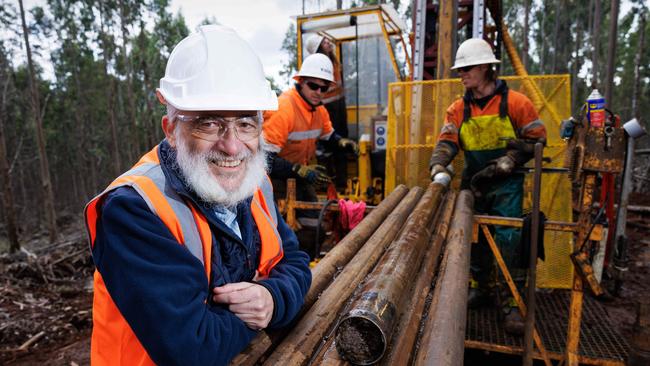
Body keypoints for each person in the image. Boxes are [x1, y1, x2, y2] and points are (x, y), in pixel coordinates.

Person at [84, 25, 311, 366]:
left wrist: (272, 297)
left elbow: (296, 263)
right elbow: (192, 348)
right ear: (172, 130)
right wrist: (269, 302)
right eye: (209, 123)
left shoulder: (255, 182)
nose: (233, 146)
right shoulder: (134, 208)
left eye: (246, 124)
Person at [428, 38, 546, 335]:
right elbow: (446, 142)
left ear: (485, 68)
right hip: (474, 183)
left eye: (466, 68)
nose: (461, 74)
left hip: (506, 184)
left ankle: (510, 301)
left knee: (509, 240)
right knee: (474, 239)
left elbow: (538, 140)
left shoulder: (517, 104)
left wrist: (513, 157)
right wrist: (438, 165)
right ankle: (478, 287)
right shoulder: (458, 109)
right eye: (460, 70)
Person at [263, 53, 358, 203]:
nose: (318, 92)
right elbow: (264, 160)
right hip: (274, 180)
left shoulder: (319, 111)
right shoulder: (284, 109)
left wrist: (342, 142)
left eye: (324, 88)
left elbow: (329, 136)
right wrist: (299, 170)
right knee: (284, 224)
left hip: (299, 174)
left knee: (314, 220)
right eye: (313, 86)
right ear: (301, 81)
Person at [305, 34, 351, 188]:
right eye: (324, 42)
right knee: (329, 144)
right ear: (319, 48)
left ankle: (341, 181)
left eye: (327, 40)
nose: (328, 42)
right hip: (328, 107)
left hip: (338, 105)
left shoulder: (334, 62)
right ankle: (329, 181)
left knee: (341, 142)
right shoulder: (321, 66)